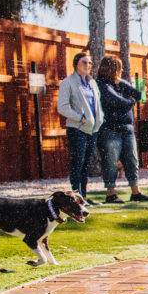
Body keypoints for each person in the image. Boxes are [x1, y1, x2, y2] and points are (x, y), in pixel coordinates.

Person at [94, 56, 148, 203]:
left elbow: (139, 94)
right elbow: (114, 101)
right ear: (113, 69)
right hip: (110, 129)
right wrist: (130, 102)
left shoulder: (120, 83)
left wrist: (121, 83)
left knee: (132, 160)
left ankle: (136, 192)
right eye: (119, 68)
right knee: (111, 161)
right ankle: (111, 193)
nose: (121, 71)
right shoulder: (100, 84)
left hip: (127, 128)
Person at [56, 51, 103, 206]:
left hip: (92, 129)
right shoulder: (68, 82)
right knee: (78, 162)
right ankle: (76, 198)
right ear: (76, 64)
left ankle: (83, 196)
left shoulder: (92, 83)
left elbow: (97, 105)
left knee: (86, 164)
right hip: (77, 129)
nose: (88, 65)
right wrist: (80, 118)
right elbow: (62, 107)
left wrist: (99, 118)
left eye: (90, 63)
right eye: (84, 62)